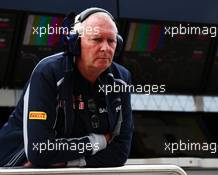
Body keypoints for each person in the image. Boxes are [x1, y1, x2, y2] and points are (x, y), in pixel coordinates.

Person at [0, 7, 133, 168]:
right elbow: (39, 151)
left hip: (65, 168)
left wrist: (68, 162)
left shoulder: (122, 79)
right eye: (97, 39)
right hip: (14, 166)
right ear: (76, 42)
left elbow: (120, 153)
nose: (105, 48)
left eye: (111, 41)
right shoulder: (48, 72)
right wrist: (100, 141)